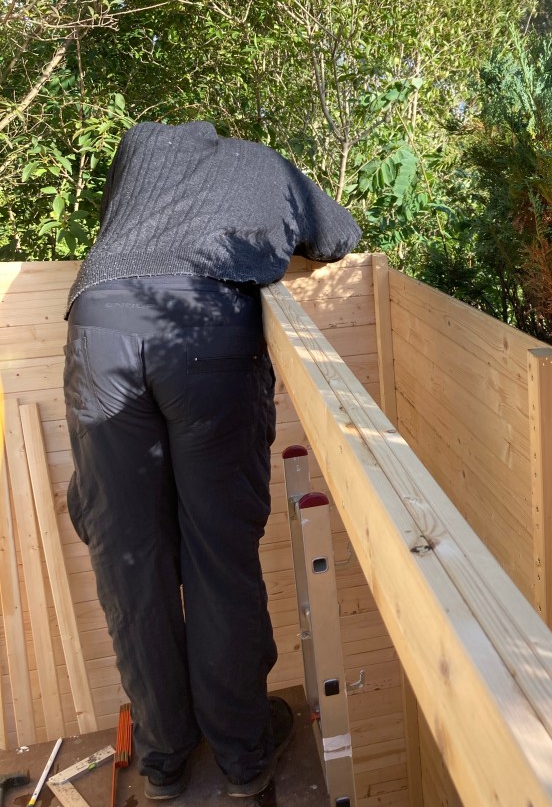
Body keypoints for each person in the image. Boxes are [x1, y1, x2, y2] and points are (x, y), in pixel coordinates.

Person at [62, 119, 361, 799]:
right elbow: (339, 236)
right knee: (218, 555)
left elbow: (125, 240)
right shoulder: (267, 165)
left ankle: (164, 758)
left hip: (102, 330)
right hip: (206, 331)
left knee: (129, 557)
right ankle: (242, 754)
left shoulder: (138, 149)